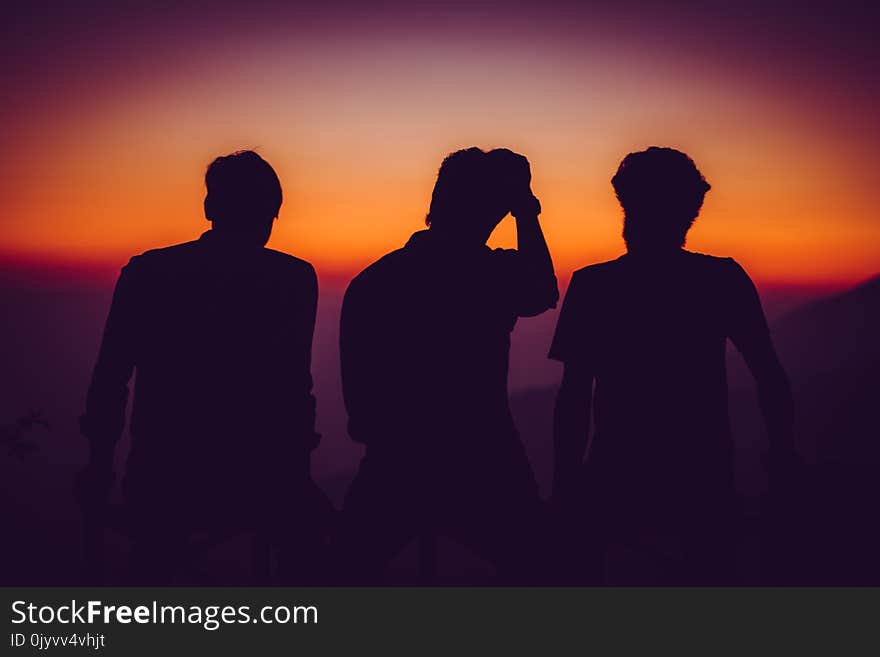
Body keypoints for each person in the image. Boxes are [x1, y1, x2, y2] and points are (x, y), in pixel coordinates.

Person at [77, 150, 330, 583]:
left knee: (156, 565)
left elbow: (110, 378)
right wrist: (295, 473)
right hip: (262, 478)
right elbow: (294, 388)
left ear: (210, 207)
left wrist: (99, 465)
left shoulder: (148, 273)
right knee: (318, 544)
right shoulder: (293, 279)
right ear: (272, 214)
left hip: (163, 476)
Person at [549, 147, 796, 584]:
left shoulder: (594, 285)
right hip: (703, 475)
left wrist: (567, 478)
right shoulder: (722, 280)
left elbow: (575, 395)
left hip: (615, 471)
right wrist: (783, 457)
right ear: (691, 211)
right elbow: (769, 374)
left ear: (624, 203)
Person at [336, 147, 558, 583]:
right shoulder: (493, 275)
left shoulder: (376, 280)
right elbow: (542, 290)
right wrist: (526, 212)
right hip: (486, 458)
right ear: (493, 211)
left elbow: (360, 412)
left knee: (344, 569)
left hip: (395, 462)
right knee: (540, 565)